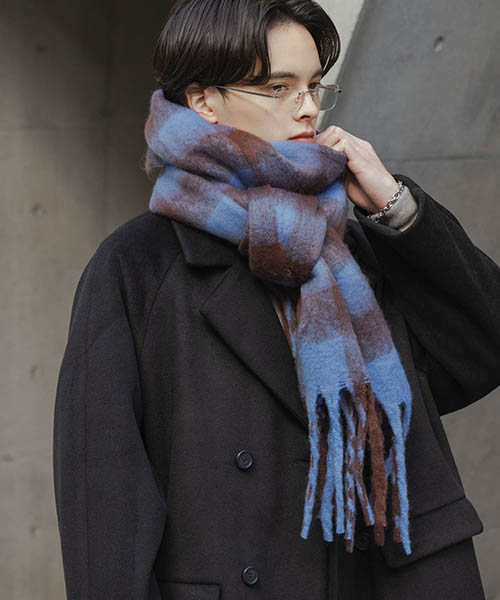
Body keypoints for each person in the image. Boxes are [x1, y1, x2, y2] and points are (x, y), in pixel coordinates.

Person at [52, 0, 500, 598]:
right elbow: (105, 497)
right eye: (278, 87)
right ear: (204, 100)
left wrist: (397, 206)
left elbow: (482, 348)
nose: (308, 106)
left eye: (314, 85)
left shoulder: (356, 246)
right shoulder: (138, 267)